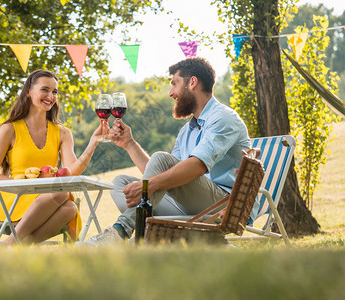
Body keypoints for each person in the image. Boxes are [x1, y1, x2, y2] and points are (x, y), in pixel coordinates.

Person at [84, 57, 251, 245]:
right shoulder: (187, 130)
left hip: (223, 205)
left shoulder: (223, 118)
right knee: (120, 184)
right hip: (189, 205)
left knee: (160, 162)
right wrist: (130, 144)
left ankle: (119, 232)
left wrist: (150, 185)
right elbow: (166, 174)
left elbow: (196, 167)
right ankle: (141, 235)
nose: (171, 93)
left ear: (192, 82)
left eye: (174, 84)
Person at [0, 69, 104, 245]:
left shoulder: (62, 132)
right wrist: (22, 185)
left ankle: (12, 245)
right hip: (17, 198)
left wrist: (93, 143)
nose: (51, 96)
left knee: (70, 207)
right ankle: (13, 243)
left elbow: (71, 172)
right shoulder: (9, 129)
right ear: (29, 92)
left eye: (54, 92)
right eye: (45, 90)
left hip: (51, 199)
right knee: (62, 193)